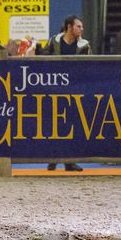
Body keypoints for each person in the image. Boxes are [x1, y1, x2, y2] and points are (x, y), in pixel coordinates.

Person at [42, 15, 91, 172]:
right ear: (69, 27)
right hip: (54, 89)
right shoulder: (53, 41)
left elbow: (89, 66)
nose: (81, 29)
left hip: (75, 89)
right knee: (54, 125)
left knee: (73, 125)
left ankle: (70, 161)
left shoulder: (85, 45)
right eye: (79, 26)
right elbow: (42, 59)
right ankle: (53, 159)